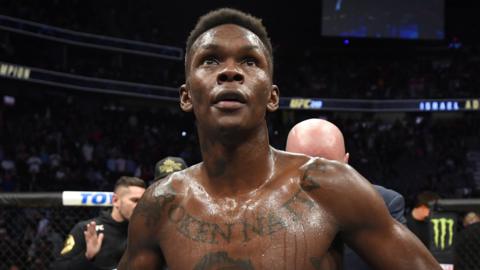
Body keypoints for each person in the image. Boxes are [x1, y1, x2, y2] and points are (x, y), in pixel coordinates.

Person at [118, 8, 441, 269]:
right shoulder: (160, 204)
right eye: (211, 60)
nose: (230, 72)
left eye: (249, 61)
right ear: (186, 96)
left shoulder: (331, 186)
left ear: (272, 97)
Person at [285, 118, 407, 270]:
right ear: (283, 163)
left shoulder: (383, 203)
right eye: (304, 167)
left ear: (346, 163)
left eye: (326, 167)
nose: (315, 178)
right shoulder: (260, 206)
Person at [52, 176, 146, 270]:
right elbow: (58, 267)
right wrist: (87, 256)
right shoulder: (87, 230)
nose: (140, 206)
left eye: (143, 201)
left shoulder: (146, 232)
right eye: (135, 200)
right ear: (115, 201)